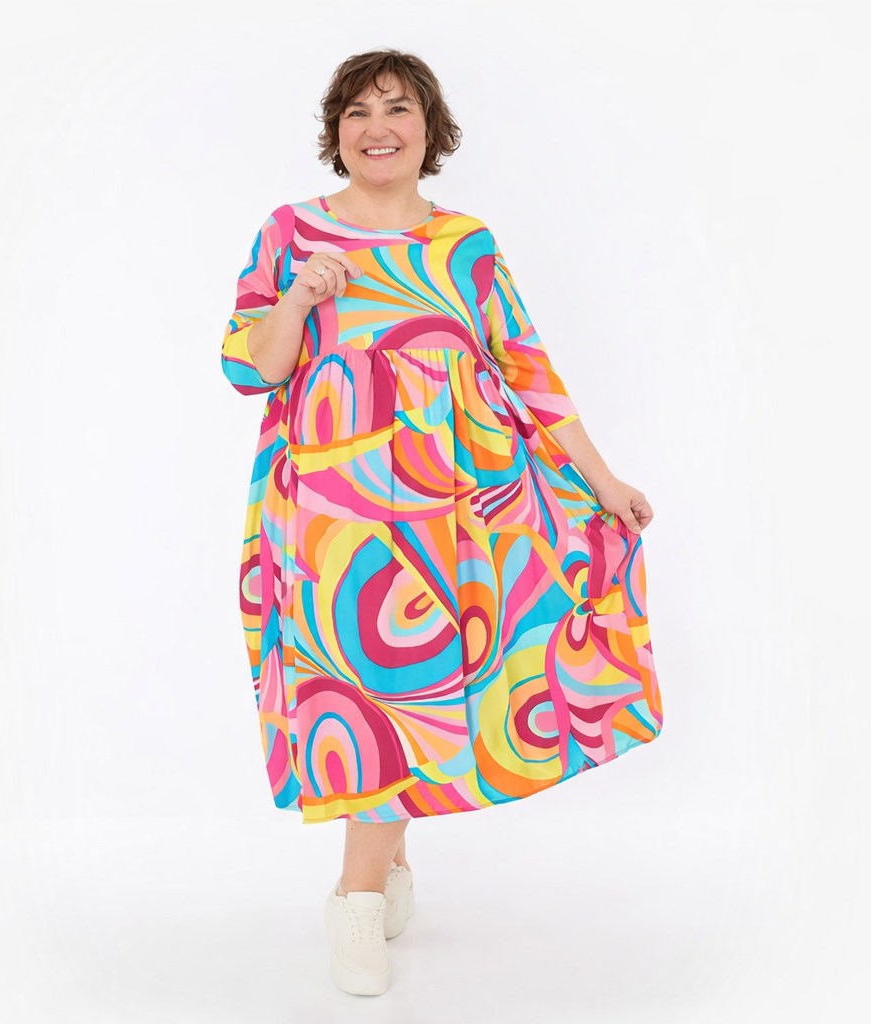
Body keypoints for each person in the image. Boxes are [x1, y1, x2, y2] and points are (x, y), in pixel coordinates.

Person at [220, 48, 664, 997]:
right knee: (369, 692)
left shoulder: (466, 244)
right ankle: (355, 899)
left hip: (456, 505)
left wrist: (603, 479)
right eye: (357, 112)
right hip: (336, 512)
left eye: (397, 108)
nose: (376, 127)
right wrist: (300, 296)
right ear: (336, 133)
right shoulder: (291, 233)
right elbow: (249, 366)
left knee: (421, 684)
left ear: (430, 128)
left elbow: (528, 371)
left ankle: (381, 873)